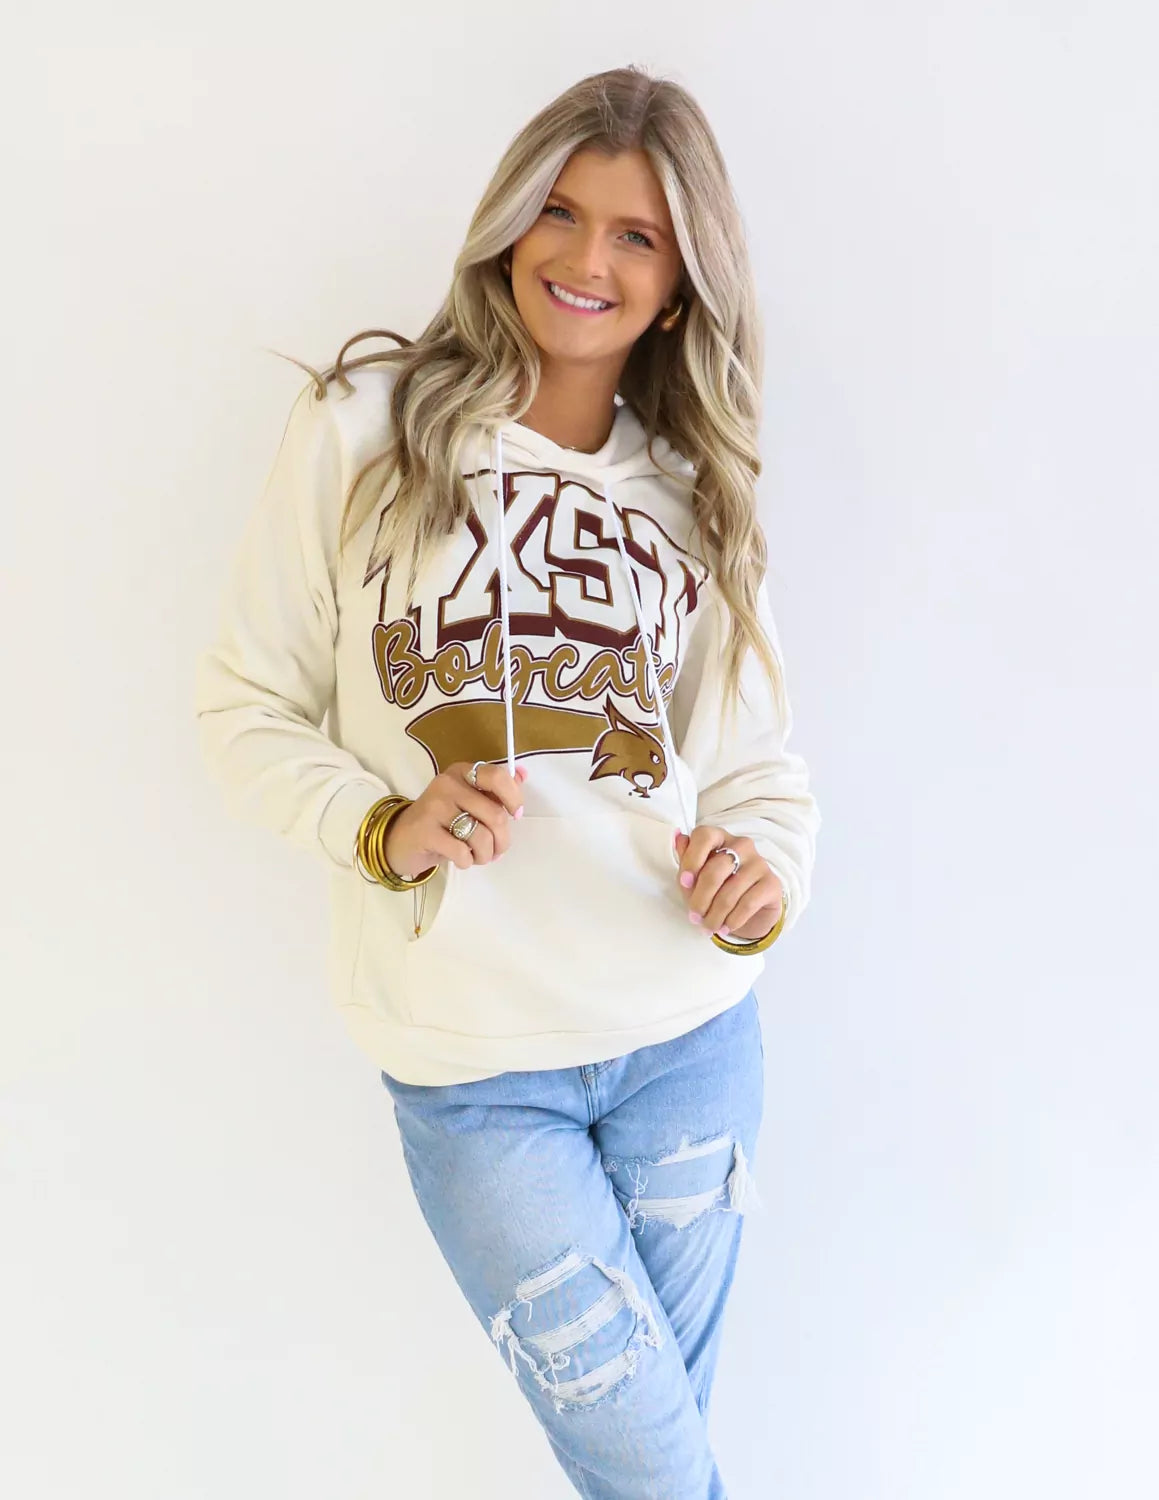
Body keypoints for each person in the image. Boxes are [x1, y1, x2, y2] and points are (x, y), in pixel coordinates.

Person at [195, 63, 820, 1500]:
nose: (585, 258)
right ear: (505, 224)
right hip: (477, 1067)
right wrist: (381, 823)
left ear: (679, 287)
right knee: (659, 1478)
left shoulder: (697, 491)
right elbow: (243, 708)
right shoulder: (367, 427)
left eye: (637, 235)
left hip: (687, 1035)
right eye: (559, 210)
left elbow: (761, 770)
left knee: (644, 1476)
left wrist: (759, 885)